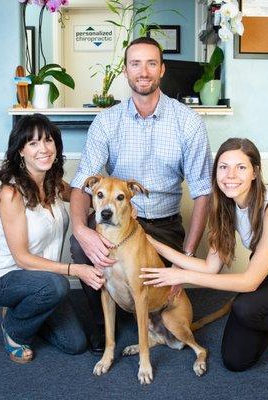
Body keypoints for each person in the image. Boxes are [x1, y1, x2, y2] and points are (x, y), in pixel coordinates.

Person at [69, 36, 213, 354]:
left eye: (151, 63)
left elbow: (203, 192)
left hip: (163, 226)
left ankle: (148, 318)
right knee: (81, 248)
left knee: (159, 285)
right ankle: (101, 327)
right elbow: (81, 183)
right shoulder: (106, 121)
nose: (143, 71)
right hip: (117, 220)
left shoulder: (188, 122)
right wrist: (80, 230)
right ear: (126, 71)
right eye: (135, 64)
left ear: (161, 69)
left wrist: (186, 260)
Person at [140, 138, 268, 371]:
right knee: (236, 360)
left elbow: (249, 282)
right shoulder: (225, 206)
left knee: (244, 307)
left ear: (255, 172)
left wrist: (181, 276)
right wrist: (153, 244)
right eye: (223, 167)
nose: (230, 175)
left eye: (240, 167)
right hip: (267, 275)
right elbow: (210, 267)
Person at [0, 114, 106, 363]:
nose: (44, 149)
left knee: (76, 344)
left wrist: (113, 201)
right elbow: (23, 259)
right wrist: (75, 269)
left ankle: (29, 307)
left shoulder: (54, 184)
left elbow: (86, 197)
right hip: (7, 278)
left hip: (44, 281)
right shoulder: (11, 193)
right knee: (57, 286)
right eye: (34, 143)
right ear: (20, 151)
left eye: (48, 140)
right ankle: (13, 330)